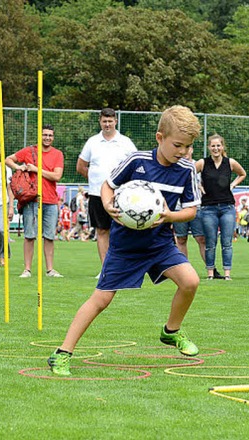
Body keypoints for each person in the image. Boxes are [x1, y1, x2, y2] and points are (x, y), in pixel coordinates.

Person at [47, 105, 202, 376]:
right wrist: (108, 205)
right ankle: (62, 352)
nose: (182, 152)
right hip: (125, 247)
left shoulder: (187, 170)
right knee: (101, 300)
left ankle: (171, 331)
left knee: (190, 281)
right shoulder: (136, 161)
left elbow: (191, 210)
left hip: (160, 244)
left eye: (187, 147)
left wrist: (169, 215)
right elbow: (108, 185)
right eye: (177, 145)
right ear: (159, 137)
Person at [77, 108, 137, 275]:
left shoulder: (125, 142)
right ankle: (106, 270)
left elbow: (136, 166)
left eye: (110, 121)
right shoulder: (92, 142)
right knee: (102, 231)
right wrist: (96, 180)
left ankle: (123, 267)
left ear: (115, 121)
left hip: (120, 196)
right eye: (104, 121)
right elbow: (81, 166)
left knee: (123, 230)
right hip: (97, 194)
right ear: (100, 121)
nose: (107, 124)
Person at [6, 124, 64, 278]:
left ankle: (50, 269)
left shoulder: (57, 154)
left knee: (49, 236)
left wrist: (35, 169)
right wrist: (20, 168)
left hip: (50, 200)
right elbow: (8, 159)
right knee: (29, 235)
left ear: (53, 137)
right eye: (45, 135)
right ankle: (27, 269)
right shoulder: (29, 151)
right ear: (40, 135)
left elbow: (56, 176)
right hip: (31, 199)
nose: (47, 138)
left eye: (50, 135)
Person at [195, 134, 246, 280]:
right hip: (208, 208)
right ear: (208, 147)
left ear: (223, 147)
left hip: (227, 207)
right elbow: (188, 173)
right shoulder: (202, 163)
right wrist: (198, 185)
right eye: (213, 146)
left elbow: (242, 174)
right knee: (210, 242)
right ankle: (210, 273)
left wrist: (233, 185)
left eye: (218, 145)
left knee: (227, 242)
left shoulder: (230, 162)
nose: (216, 148)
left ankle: (227, 274)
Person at [173, 146, 209, 276]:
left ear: (192, 149)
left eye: (188, 148)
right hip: (178, 208)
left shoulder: (198, 165)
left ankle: (210, 269)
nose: (185, 151)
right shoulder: (174, 165)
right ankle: (184, 270)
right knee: (181, 239)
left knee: (201, 238)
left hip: (196, 207)